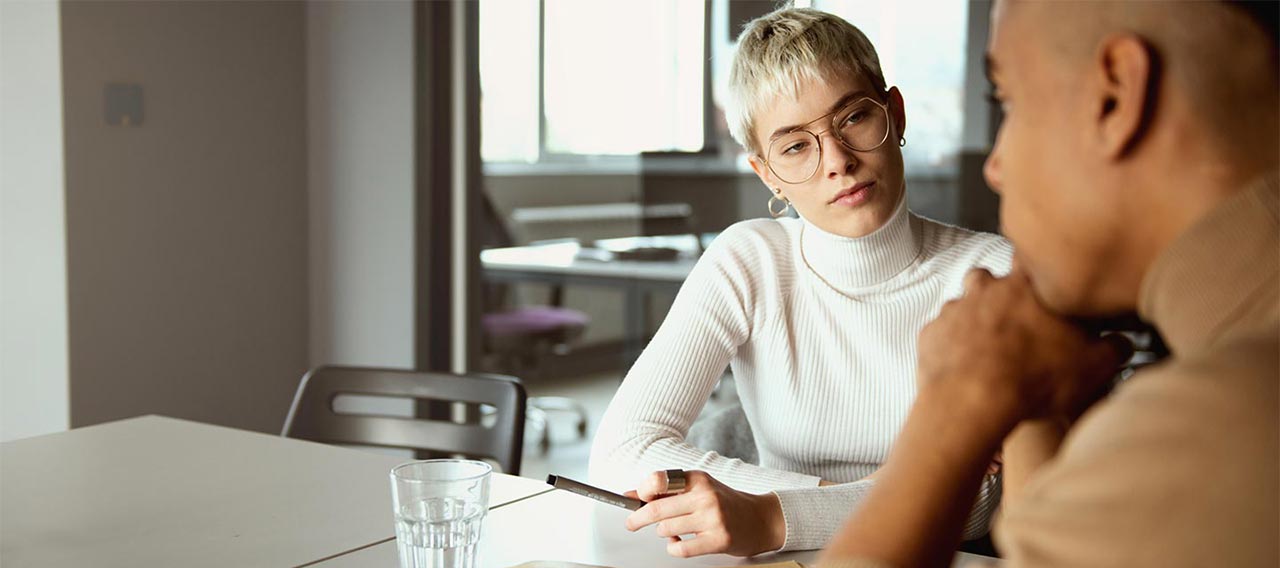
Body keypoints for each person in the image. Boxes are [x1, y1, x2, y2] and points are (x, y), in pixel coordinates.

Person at [821, 1, 1278, 566]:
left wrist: (956, 404)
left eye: (1007, 101)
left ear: (1115, 97)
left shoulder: (1217, 424)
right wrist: (1028, 400)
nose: (995, 165)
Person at [588, 7, 1012, 558]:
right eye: (794, 146)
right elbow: (623, 449)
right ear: (767, 173)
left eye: (854, 118)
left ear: (896, 114)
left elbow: (983, 495)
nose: (837, 160)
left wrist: (773, 515)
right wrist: (828, 508)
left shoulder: (993, 275)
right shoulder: (749, 259)